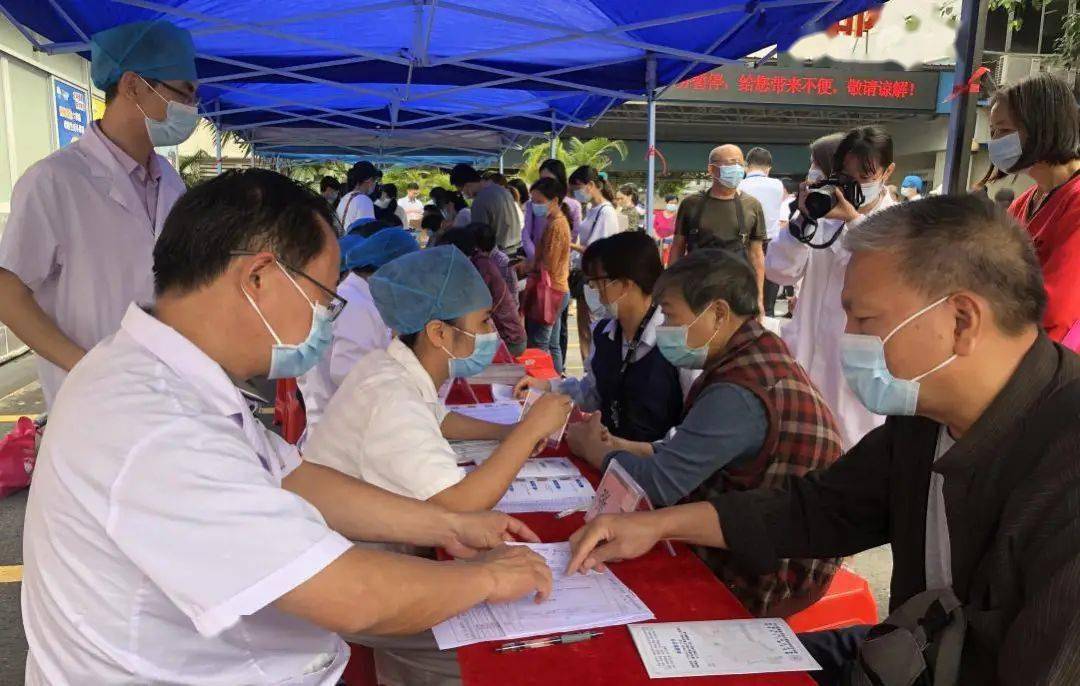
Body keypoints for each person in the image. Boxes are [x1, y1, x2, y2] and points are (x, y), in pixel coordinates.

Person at [20, 169, 554, 684]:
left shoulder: (159, 374)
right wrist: (487, 576)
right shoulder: (156, 423)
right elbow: (352, 597)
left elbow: (294, 479)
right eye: (323, 300)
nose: (326, 318)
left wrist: (444, 527)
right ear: (259, 277)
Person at [567, 195, 1080, 685]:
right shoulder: (925, 416)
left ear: (961, 321)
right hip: (907, 655)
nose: (846, 337)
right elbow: (816, 509)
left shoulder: (1062, 464)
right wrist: (657, 526)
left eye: (864, 319)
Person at [565, 248, 843, 617]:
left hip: (765, 571)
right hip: (755, 536)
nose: (663, 327)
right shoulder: (755, 353)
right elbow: (687, 450)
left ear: (717, 314)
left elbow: (658, 486)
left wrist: (596, 452)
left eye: (669, 315)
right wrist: (621, 446)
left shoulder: (739, 391)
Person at [0, 20, 197, 409]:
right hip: (90, 405)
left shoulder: (172, 184)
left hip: (168, 395)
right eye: (183, 94)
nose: (191, 110)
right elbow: (8, 291)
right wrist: (86, 367)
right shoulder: (55, 181)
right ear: (133, 85)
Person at [305, 244, 571, 510]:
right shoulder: (393, 399)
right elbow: (460, 502)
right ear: (439, 333)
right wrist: (530, 429)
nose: (492, 333)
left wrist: (506, 432)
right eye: (483, 322)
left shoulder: (393, 367)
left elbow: (436, 417)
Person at [765, 127, 898, 449]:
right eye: (844, 175)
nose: (853, 185)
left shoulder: (902, 222)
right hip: (807, 360)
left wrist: (854, 221)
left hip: (859, 376)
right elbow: (779, 272)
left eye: (865, 175)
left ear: (888, 172)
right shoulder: (823, 217)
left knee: (854, 454)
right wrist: (803, 221)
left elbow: (890, 281)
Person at [515, 232, 695, 443]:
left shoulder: (677, 339)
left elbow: (695, 430)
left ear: (626, 284)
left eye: (598, 283)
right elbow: (593, 392)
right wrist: (547, 386)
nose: (594, 291)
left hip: (656, 466)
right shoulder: (604, 333)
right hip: (608, 459)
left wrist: (631, 450)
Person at [984, 72, 1080, 349]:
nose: (995, 142)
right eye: (992, 132)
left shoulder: (1074, 202)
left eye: (1003, 131)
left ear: (1041, 126)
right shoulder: (1025, 203)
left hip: (1049, 362)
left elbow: (1058, 310)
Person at [297, 228, 419, 442]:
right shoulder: (356, 306)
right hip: (342, 439)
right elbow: (350, 376)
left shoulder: (356, 298)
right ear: (392, 270)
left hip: (342, 428)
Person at [669, 145, 767, 315]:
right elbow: (677, 248)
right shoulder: (691, 204)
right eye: (731, 163)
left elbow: (757, 255)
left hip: (737, 291)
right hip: (697, 289)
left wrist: (758, 298)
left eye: (740, 163)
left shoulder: (752, 205)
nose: (737, 168)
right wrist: (671, 289)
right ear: (711, 169)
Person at [521, 160, 583, 366]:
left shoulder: (556, 225)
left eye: (539, 202)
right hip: (556, 288)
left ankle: (543, 388)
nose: (535, 206)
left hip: (550, 291)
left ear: (554, 200)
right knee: (552, 344)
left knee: (539, 345)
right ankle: (554, 384)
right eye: (533, 202)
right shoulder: (555, 222)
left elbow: (549, 264)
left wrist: (527, 266)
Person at [438, 224, 527, 357]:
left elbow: (468, 307)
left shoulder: (481, 267)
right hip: (494, 336)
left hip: (508, 341)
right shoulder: (473, 264)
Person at [569, 165, 621, 360]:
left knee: (594, 328)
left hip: (596, 279)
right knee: (584, 330)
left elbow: (596, 249)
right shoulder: (593, 210)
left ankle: (595, 371)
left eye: (578, 188)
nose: (576, 193)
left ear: (591, 185)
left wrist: (570, 245)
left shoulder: (606, 212)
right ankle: (587, 371)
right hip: (587, 277)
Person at [739, 147, 786, 317]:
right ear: (768, 168)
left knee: (746, 288)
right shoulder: (777, 185)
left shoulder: (739, 185)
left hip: (744, 243)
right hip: (771, 242)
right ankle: (769, 319)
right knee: (769, 294)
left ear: (746, 166)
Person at [449, 164, 522, 253]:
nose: (463, 194)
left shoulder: (480, 200)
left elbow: (479, 237)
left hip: (498, 254)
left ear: (467, 185)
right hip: (516, 249)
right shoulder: (502, 190)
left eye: (461, 191)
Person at [337, 160, 380, 230]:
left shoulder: (345, 198)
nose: (375, 184)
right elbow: (367, 232)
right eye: (375, 181)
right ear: (368, 180)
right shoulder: (364, 200)